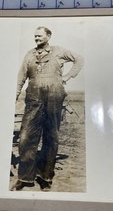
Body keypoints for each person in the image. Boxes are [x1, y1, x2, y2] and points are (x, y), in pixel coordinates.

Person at [15, 26, 84, 191]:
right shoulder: (29, 55)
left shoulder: (59, 51)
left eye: (39, 36)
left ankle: (45, 177)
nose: (36, 39)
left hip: (54, 98)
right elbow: (21, 77)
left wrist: (68, 76)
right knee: (25, 138)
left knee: (51, 137)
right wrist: (15, 94)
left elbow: (79, 59)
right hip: (33, 99)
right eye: (35, 36)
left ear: (48, 36)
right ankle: (25, 178)